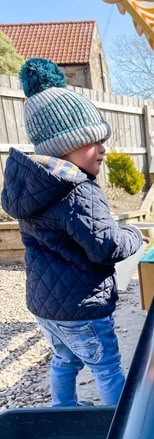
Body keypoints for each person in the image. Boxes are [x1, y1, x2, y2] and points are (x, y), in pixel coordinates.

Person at [1, 58, 145, 406]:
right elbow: (106, 246)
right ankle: (120, 427)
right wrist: (135, 235)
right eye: (92, 141)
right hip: (82, 306)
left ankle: (62, 413)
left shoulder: (35, 185)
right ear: (64, 145)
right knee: (107, 366)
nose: (103, 149)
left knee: (65, 360)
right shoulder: (76, 189)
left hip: (45, 305)